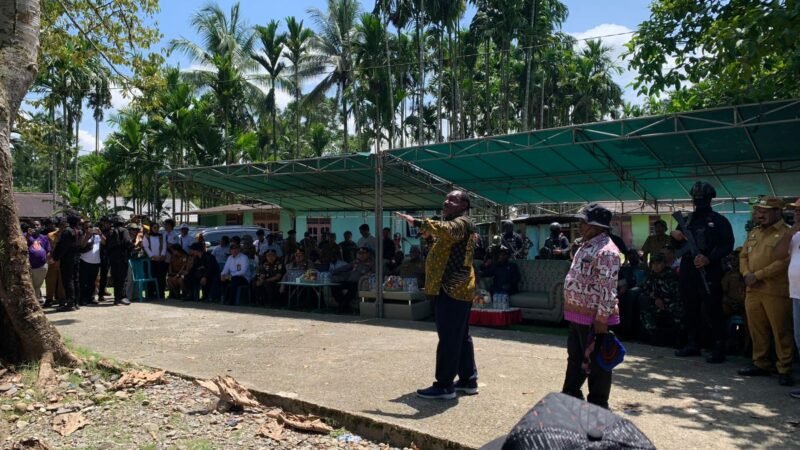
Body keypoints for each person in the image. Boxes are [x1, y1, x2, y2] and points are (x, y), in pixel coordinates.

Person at [396, 190, 478, 400]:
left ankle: (444, 386)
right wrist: (430, 237)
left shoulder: (461, 223)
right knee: (460, 335)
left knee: (449, 337)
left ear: (464, 205)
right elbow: (445, 248)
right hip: (455, 288)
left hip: (452, 288)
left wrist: (416, 222)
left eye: (453, 199)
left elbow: (448, 229)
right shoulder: (456, 227)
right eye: (446, 198)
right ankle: (468, 380)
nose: (447, 201)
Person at [561, 203, 620, 409]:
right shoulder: (585, 245)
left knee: (597, 364)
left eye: (583, 222)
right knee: (575, 358)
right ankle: (570, 395)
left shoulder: (607, 252)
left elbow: (608, 288)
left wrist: (602, 318)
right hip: (577, 315)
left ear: (597, 226)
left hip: (595, 319)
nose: (579, 226)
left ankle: (598, 404)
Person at [672, 181, 734, 364]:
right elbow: (677, 246)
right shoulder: (687, 220)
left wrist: (709, 258)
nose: (699, 202)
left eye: (703, 199)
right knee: (689, 306)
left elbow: (727, 244)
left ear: (710, 199)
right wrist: (674, 237)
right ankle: (693, 343)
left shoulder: (719, 220)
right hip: (689, 268)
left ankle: (718, 347)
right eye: (696, 199)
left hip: (710, 268)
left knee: (712, 309)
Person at [738, 197, 794, 386]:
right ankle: (760, 363)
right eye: (757, 211)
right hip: (753, 289)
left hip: (775, 290)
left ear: (778, 212)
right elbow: (743, 255)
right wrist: (746, 273)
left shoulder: (787, 234)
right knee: (757, 328)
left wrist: (759, 275)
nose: (758, 215)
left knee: (781, 330)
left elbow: (785, 260)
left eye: (764, 211)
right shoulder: (754, 233)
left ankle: (784, 368)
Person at [773, 198, 800, 398]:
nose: (797, 213)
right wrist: (791, 232)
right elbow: (779, 254)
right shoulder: (795, 236)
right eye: (796, 211)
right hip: (797, 294)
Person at [637, 253, 681, 346]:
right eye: (654, 263)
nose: (656, 266)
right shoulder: (651, 275)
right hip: (657, 304)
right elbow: (645, 289)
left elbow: (675, 293)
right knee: (645, 311)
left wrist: (663, 301)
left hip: (672, 303)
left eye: (658, 263)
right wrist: (655, 298)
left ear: (664, 264)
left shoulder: (670, 275)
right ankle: (653, 338)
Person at [52, 212, 83, 311]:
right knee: (75, 279)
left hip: (68, 258)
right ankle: (76, 302)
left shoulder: (67, 232)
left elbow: (62, 247)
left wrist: (56, 257)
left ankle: (70, 303)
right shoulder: (79, 231)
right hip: (76, 257)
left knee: (68, 280)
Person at [331, 246, 375, 312]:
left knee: (353, 288)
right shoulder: (356, 262)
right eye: (360, 253)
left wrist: (369, 273)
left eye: (363, 253)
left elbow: (375, 273)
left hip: (359, 283)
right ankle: (343, 304)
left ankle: (342, 306)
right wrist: (334, 271)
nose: (361, 255)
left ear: (368, 254)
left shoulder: (371, 263)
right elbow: (346, 267)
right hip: (349, 281)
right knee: (335, 286)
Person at [105, 215, 131, 305]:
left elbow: (106, 244)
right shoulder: (124, 230)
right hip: (122, 257)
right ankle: (122, 297)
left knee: (115, 278)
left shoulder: (110, 232)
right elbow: (128, 242)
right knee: (123, 278)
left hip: (113, 258)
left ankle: (116, 298)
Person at [78, 221, 104, 306]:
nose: (89, 229)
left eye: (90, 227)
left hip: (96, 262)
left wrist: (100, 234)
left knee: (92, 282)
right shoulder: (82, 235)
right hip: (84, 261)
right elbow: (81, 246)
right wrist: (87, 236)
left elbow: (105, 242)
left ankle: (91, 298)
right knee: (83, 282)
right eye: (86, 227)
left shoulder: (97, 236)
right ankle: (83, 299)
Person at [25, 222, 51, 301]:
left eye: (37, 225)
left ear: (41, 227)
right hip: (29, 266)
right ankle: (34, 300)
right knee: (30, 285)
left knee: (37, 285)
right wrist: (28, 236)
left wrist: (47, 261)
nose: (35, 227)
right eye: (33, 225)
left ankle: (36, 299)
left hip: (42, 266)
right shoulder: (25, 235)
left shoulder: (44, 238)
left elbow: (48, 250)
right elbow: (21, 245)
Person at [43, 217, 65, 307]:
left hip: (63, 261)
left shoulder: (67, 234)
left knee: (62, 281)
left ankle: (61, 299)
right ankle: (49, 299)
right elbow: (51, 247)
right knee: (50, 281)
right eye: (61, 225)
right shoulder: (50, 235)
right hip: (52, 261)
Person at [143, 221, 167, 299]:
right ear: (151, 228)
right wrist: (153, 256)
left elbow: (164, 246)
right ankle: (151, 294)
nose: (156, 229)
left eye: (157, 228)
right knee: (151, 276)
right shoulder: (147, 236)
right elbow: (146, 247)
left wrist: (162, 255)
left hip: (160, 260)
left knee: (161, 277)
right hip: (151, 260)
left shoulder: (161, 236)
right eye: (154, 227)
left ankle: (160, 294)